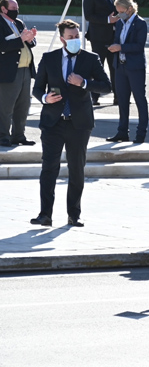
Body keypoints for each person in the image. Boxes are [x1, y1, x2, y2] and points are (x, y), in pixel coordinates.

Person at [30, 19, 111, 227]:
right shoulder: (49, 58)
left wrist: (83, 83)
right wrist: (44, 98)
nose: (75, 40)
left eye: (77, 36)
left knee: (76, 169)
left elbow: (106, 86)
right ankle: (45, 214)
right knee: (49, 168)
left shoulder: (90, 58)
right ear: (62, 39)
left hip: (79, 124)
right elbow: (37, 88)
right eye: (71, 37)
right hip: (53, 123)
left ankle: (74, 214)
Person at [106, 0, 149, 144]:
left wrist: (121, 47)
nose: (119, 14)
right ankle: (122, 132)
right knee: (122, 100)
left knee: (139, 99)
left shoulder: (140, 23)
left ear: (129, 9)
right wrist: (114, 47)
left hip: (135, 67)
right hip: (120, 66)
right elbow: (117, 40)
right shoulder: (120, 23)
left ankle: (141, 133)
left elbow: (139, 46)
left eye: (121, 11)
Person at [0, 0, 37, 147]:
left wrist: (30, 39)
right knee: (6, 106)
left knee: (23, 105)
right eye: (13, 8)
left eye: (17, 8)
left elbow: (29, 43)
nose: (16, 11)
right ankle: (3, 136)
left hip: (25, 70)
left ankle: (19, 135)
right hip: (9, 72)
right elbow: (2, 45)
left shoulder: (19, 23)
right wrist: (21, 39)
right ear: (3, 9)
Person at [82, 0, 118, 105]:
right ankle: (95, 97)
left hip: (112, 37)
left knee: (114, 67)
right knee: (98, 67)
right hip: (98, 38)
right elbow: (88, 16)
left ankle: (117, 96)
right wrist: (107, 20)